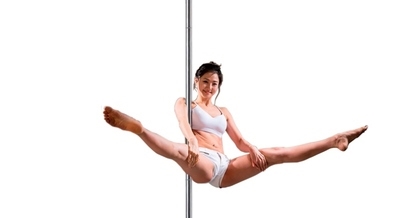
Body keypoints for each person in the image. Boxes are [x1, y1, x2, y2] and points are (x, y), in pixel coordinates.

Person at [103, 61, 368, 188]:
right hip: (200, 158)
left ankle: (334, 140)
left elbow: (239, 141)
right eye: (205, 82)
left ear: (219, 86)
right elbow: (183, 124)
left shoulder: (224, 111)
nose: (209, 87)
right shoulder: (185, 103)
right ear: (196, 81)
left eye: (214, 84)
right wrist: (192, 141)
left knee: (276, 153)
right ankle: (139, 129)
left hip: (225, 166)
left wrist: (252, 149)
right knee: (178, 150)